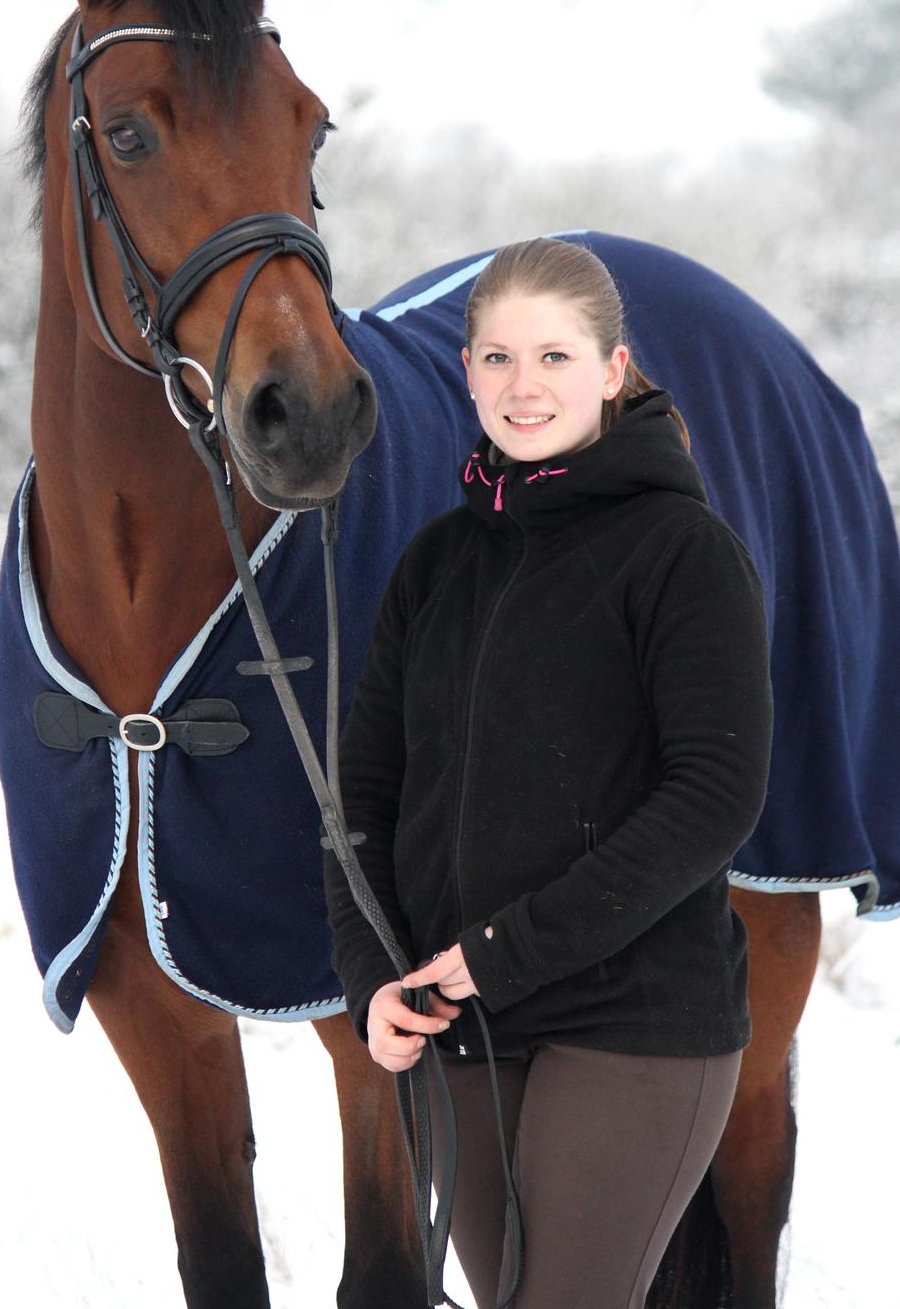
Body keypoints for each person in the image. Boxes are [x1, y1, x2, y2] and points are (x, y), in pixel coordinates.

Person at [324, 237, 773, 1309]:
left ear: (613, 370)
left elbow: (713, 797)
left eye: (555, 357)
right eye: (495, 358)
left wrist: (500, 953)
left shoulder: (680, 551)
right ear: (466, 371)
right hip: (462, 1022)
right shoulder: (435, 562)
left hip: (633, 1020)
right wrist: (367, 982)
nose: (522, 386)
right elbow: (361, 803)